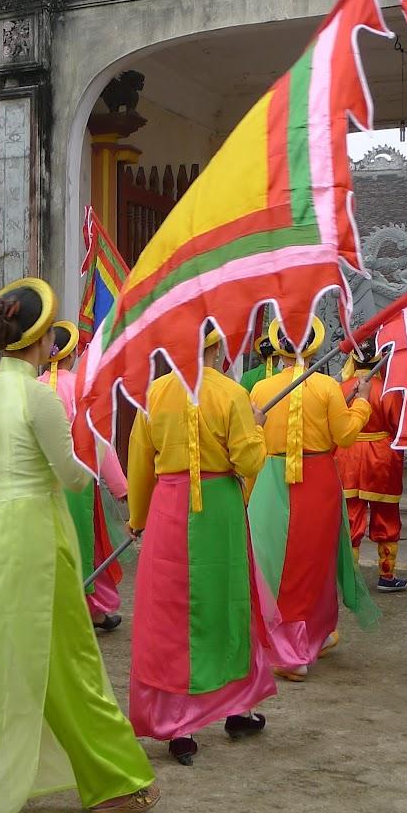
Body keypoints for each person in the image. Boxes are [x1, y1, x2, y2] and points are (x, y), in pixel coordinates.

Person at [0, 278, 159, 813]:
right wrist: (100, 479)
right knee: (70, 659)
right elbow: (72, 477)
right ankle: (113, 782)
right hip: (34, 532)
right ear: (42, 342)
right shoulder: (40, 397)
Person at [127, 326, 307, 765]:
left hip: (169, 509)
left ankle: (180, 727)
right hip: (220, 511)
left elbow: (140, 460)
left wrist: (137, 517)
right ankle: (235, 707)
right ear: (214, 347)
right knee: (228, 606)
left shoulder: (153, 393)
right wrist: (258, 428)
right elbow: (248, 460)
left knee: (172, 616)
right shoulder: (231, 395)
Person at [247, 319, 379, 681]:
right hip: (316, 478)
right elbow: (347, 435)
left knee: (274, 563)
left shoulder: (261, 389)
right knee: (311, 564)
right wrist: (361, 404)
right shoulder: (326, 387)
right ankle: (299, 646)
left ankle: (299, 640)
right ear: (315, 347)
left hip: (269, 480)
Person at [42, 321, 127, 631]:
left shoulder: (34, 386)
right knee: (82, 544)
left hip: (39, 479)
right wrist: (120, 486)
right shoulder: (82, 389)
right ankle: (90, 608)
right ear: (73, 352)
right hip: (77, 478)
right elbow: (99, 440)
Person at [336, 338, 407, 591]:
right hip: (381, 457)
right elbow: (398, 425)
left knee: (350, 516)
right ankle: (387, 576)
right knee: (386, 515)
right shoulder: (388, 389)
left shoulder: (340, 388)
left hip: (347, 456)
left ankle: (351, 579)